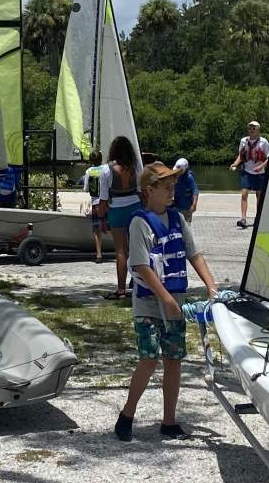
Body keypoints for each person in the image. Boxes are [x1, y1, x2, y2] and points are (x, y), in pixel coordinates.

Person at [115, 163, 219, 443]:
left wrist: (211, 286)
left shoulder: (178, 219)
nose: (173, 192)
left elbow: (194, 254)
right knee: (148, 360)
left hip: (176, 300)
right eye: (166, 187)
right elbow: (142, 266)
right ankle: (127, 415)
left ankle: (169, 421)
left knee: (174, 360)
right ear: (149, 191)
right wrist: (166, 299)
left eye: (174, 186)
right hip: (149, 304)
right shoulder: (140, 222)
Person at [102, 135, 142, 302]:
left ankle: (121, 289)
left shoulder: (106, 170)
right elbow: (141, 191)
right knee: (137, 250)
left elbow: (103, 199)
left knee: (120, 251)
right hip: (135, 207)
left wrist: (102, 218)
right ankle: (140, 284)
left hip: (116, 209)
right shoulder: (136, 167)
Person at [229, 121, 269, 229]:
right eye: (250, 128)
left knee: (259, 196)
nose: (251, 130)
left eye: (253, 128)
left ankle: (258, 218)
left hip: (259, 173)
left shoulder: (264, 142)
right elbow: (241, 155)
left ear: (258, 130)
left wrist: (261, 166)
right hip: (246, 171)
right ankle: (243, 219)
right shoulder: (244, 141)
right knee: (244, 194)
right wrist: (235, 163)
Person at [80, 149, 106, 264]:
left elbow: (86, 188)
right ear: (101, 159)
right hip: (107, 202)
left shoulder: (89, 171)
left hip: (95, 203)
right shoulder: (106, 169)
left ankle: (99, 254)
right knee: (114, 228)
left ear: (91, 161)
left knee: (97, 230)